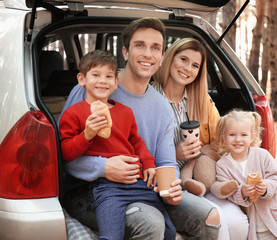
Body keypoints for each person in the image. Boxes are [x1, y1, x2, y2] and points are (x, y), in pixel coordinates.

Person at [60, 17, 220, 239]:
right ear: (125, 52)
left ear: (162, 57)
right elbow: (64, 154)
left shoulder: (161, 107)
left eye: (155, 48)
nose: (148, 54)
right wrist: (103, 167)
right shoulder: (96, 88)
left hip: (142, 187)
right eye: (139, 45)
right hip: (87, 190)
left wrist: (171, 186)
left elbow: (166, 162)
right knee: (151, 222)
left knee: (209, 216)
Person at [59, 50, 176, 240]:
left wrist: (148, 163)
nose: (103, 81)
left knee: (169, 231)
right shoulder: (73, 114)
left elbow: (136, 141)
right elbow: (65, 153)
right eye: (95, 75)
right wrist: (87, 134)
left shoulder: (125, 112)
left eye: (109, 76)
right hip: (106, 187)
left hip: (137, 182)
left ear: (116, 83)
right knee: (112, 234)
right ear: (82, 79)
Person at [153, 38, 249, 240]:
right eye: (183, 60)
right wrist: (175, 153)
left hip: (203, 178)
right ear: (170, 58)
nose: (187, 68)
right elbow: (138, 150)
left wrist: (206, 153)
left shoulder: (203, 100)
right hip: (169, 183)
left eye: (195, 65)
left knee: (239, 224)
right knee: (218, 223)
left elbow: (221, 143)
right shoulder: (150, 97)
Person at [215, 110, 277, 240]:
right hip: (256, 227)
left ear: (252, 137)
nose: (238, 140)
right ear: (224, 137)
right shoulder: (222, 165)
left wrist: (267, 187)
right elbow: (227, 193)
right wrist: (242, 192)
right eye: (232, 134)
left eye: (244, 135)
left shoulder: (262, 155)